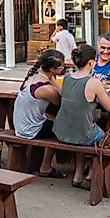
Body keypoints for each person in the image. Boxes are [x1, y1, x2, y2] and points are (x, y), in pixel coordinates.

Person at [53, 44, 110, 189]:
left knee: (83, 126)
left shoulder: (67, 79)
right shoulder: (93, 83)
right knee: (106, 135)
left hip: (62, 132)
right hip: (84, 134)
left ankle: (78, 174)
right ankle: (91, 174)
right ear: (91, 62)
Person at [14, 49, 66, 178]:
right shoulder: (46, 88)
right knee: (63, 126)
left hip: (20, 126)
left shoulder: (31, 77)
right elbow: (62, 101)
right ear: (53, 70)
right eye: (62, 66)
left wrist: (52, 77)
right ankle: (46, 166)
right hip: (31, 130)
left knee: (54, 119)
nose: (64, 68)